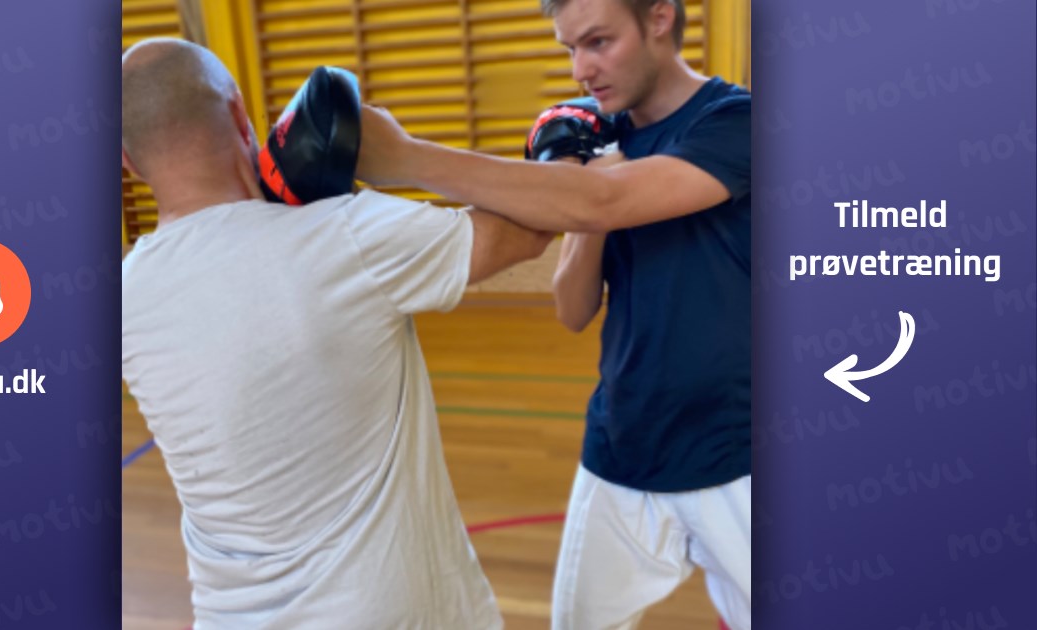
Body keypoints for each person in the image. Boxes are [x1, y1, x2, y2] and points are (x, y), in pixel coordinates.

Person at [120, 38, 554, 629]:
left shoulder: (124, 296)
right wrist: (417, 154)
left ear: (128, 162)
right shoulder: (343, 236)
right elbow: (528, 230)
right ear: (240, 114)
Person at [355, 0, 752, 628]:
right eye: (570, 48)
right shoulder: (603, 138)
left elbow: (605, 199)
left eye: (598, 42)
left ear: (659, 18)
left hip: (739, 453)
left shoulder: (736, 121)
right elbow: (571, 307)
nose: (580, 70)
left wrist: (405, 158)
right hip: (624, 446)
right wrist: (582, 193)